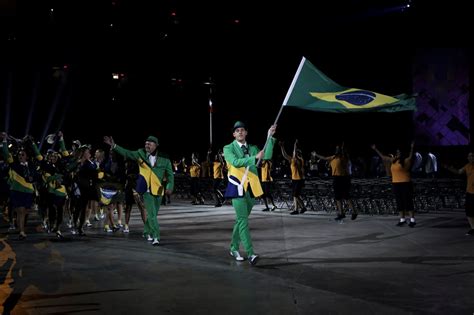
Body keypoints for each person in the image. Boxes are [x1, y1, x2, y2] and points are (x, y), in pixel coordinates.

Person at [103, 135, 174, 246]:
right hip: (146, 189)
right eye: (146, 143)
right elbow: (127, 153)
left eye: (149, 144)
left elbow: (170, 175)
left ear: (156, 145)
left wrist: (169, 187)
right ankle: (156, 236)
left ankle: (146, 231)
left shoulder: (165, 158)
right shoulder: (140, 153)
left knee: (153, 214)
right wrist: (114, 146)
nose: (147, 145)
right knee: (151, 214)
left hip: (159, 190)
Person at [223, 121, 276, 265]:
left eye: (242, 130)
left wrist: (269, 137)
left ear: (246, 133)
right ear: (234, 134)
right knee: (244, 221)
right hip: (237, 188)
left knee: (240, 220)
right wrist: (254, 158)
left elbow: (267, 155)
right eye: (237, 130)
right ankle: (251, 253)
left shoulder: (253, 148)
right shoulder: (228, 148)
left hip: (251, 189)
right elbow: (235, 162)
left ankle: (233, 247)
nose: (240, 132)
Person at [372, 142, 416, 227]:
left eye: (399, 152)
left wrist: (412, 148)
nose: (398, 153)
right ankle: (402, 219)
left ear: (402, 153)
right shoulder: (393, 160)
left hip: (405, 183)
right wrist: (375, 149)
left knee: (408, 202)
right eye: (397, 152)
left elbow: (411, 157)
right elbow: (383, 157)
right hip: (396, 184)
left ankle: (412, 220)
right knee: (399, 202)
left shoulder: (405, 160)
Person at [314, 143, 358, 221]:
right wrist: (316, 154)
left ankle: (354, 212)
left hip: (343, 178)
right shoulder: (333, 157)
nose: (337, 150)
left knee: (346, 196)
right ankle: (341, 214)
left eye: (338, 149)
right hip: (336, 178)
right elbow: (324, 158)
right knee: (337, 197)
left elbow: (345, 155)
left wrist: (343, 148)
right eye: (336, 149)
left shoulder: (343, 157)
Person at [444, 152, 474, 235]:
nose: (470, 157)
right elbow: (458, 172)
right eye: (469, 156)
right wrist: (449, 168)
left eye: (472, 156)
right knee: (469, 212)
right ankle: (473, 228)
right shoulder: (467, 166)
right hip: (469, 192)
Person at [279, 139, 306, 215]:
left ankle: (297, 209)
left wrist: (295, 145)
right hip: (294, 179)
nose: (295, 153)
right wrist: (282, 147)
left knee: (295, 195)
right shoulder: (292, 159)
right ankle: (302, 207)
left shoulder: (300, 160)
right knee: (295, 195)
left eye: (297, 152)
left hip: (299, 179)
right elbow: (284, 155)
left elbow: (294, 154)